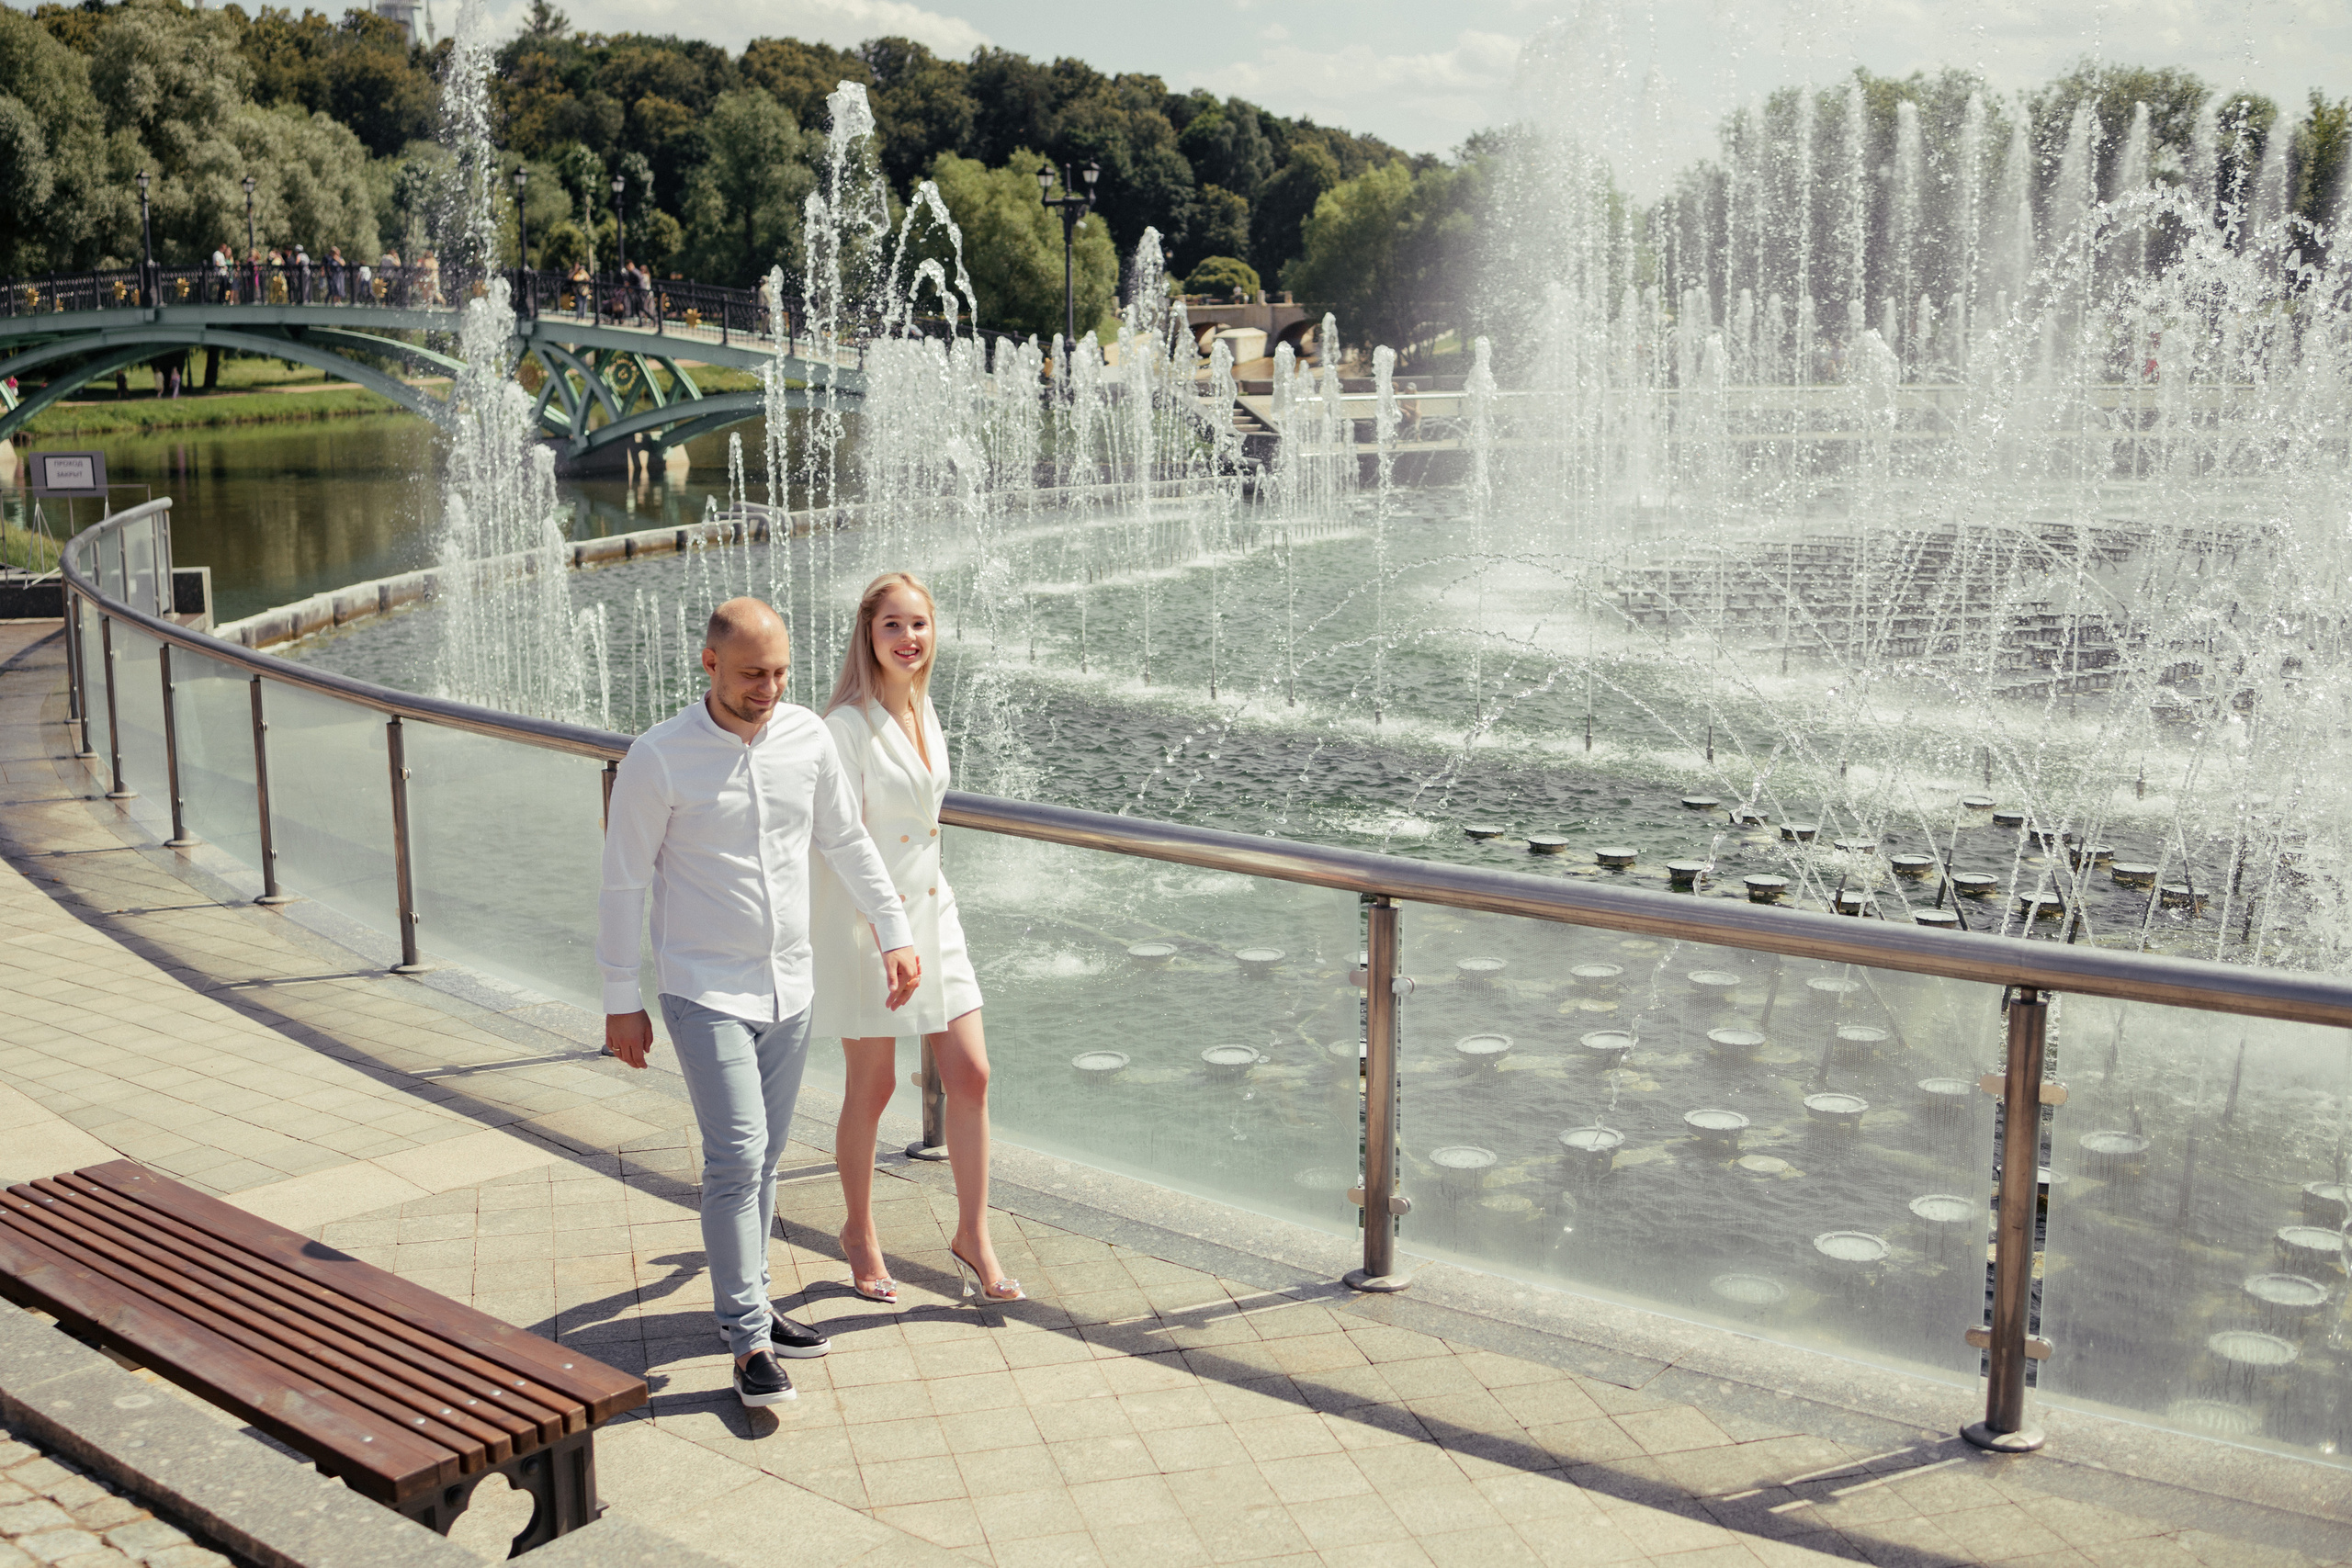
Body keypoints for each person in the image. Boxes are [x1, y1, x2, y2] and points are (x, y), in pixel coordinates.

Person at [599, 597, 922, 1408]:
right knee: (738, 1155)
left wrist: (894, 927)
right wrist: (619, 998)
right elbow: (622, 882)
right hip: (700, 987)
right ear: (709, 665)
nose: (770, 688)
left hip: (791, 984)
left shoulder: (808, 737)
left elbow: (844, 838)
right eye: (752, 674)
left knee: (765, 1158)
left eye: (780, 672)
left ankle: (757, 1305)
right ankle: (746, 1339)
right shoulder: (660, 757)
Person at [812, 572, 1018, 1306]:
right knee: (870, 1089)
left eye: (919, 625)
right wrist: (884, 932)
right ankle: (860, 1233)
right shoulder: (843, 728)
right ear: (868, 633)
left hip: (938, 914)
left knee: (972, 1075)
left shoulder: (926, 712)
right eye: (893, 625)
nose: (908, 638)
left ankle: (973, 1235)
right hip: (873, 928)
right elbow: (840, 842)